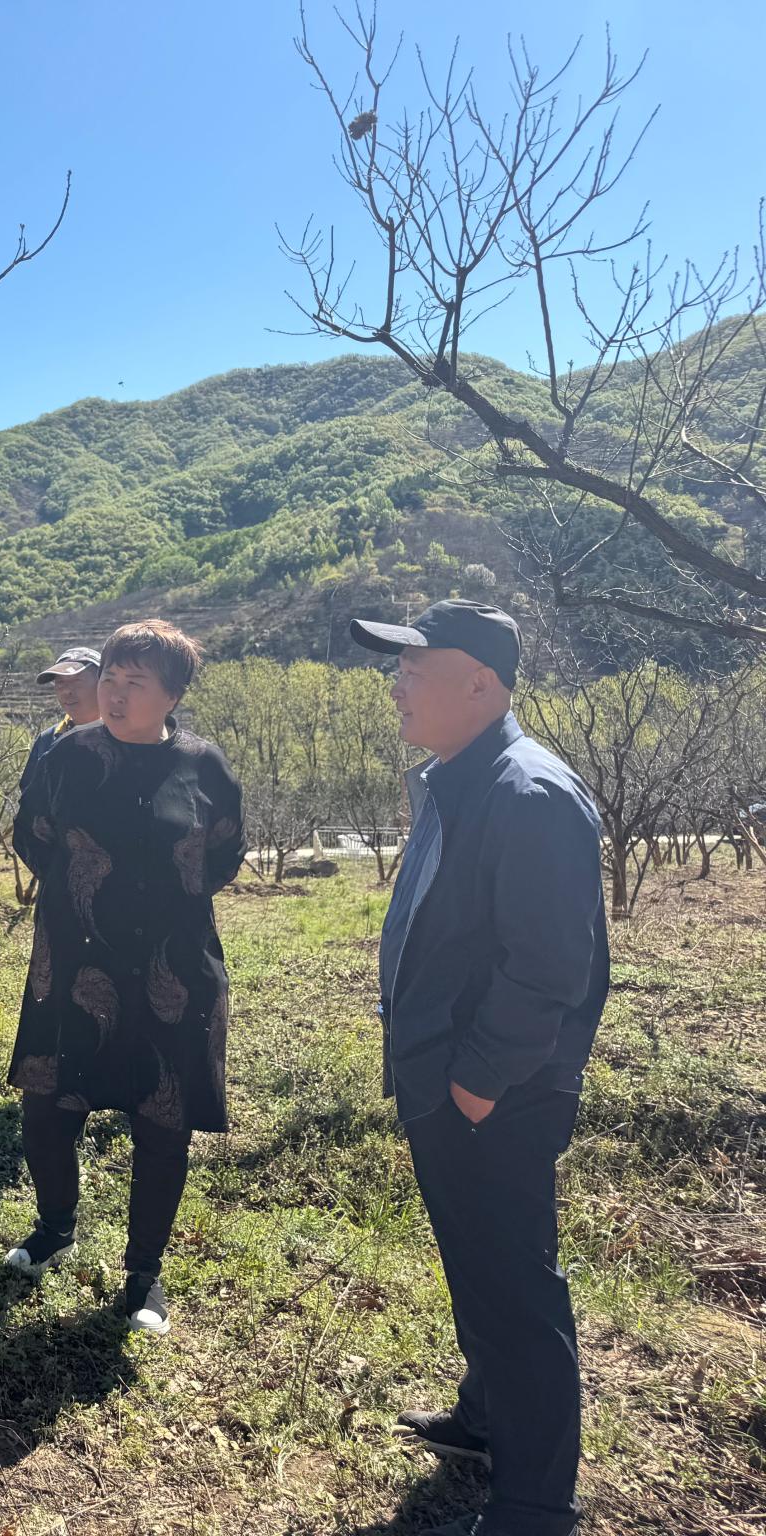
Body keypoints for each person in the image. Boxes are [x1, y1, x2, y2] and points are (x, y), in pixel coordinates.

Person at [351, 599, 608, 1536]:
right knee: (478, 1266)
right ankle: (487, 1417)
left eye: (415, 669)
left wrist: (477, 1081)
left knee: (516, 1288)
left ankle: (535, 1505)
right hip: (447, 1079)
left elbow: (548, 968)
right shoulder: (460, 779)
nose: (397, 685)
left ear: (480, 684)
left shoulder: (528, 793)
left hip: (494, 1094)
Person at [4, 619, 246, 1336]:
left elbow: (225, 854)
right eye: (110, 677)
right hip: (74, 959)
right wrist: (86, 897)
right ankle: (55, 1228)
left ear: (172, 695)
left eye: (135, 682)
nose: (114, 693)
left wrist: (155, 903)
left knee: (163, 1122)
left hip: (173, 969)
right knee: (49, 1110)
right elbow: (32, 835)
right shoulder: (67, 755)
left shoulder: (205, 767)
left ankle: (144, 1275)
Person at [20, 644, 102, 796]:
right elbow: (30, 799)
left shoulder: (127, 735)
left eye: (77, 681)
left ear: (102, 683)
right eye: (60, 683)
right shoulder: (47, 740)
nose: (66, 691)